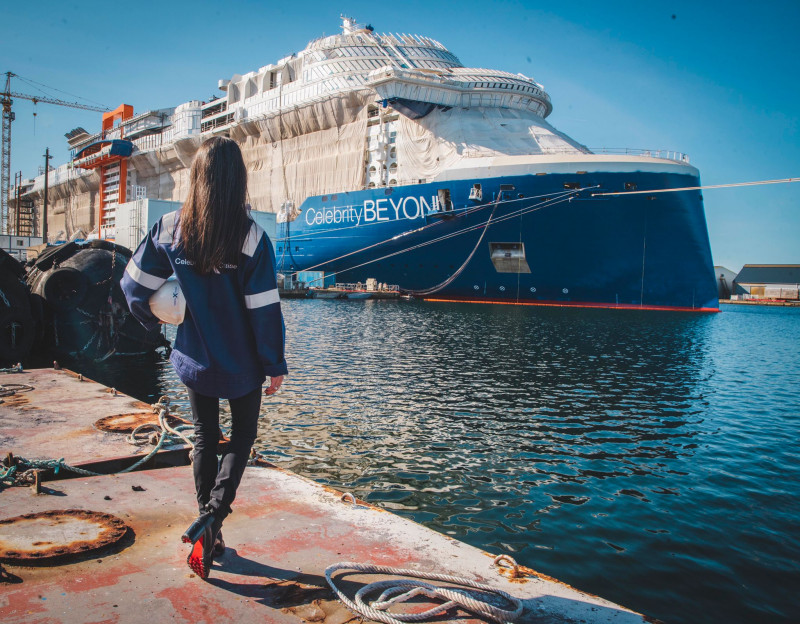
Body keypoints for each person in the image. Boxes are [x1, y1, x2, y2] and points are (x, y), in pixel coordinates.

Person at [121, 136, 287, 579]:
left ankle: (205, 525)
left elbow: (133, 284)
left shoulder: (172, 227)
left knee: (204, 436)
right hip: (244, 364)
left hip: (196, 360)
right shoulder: (252, 237)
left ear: (197, 178)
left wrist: (153, 323)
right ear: (238, 180)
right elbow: (264, 309)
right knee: (243, 437)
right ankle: (212, 518)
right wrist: (274, 364)